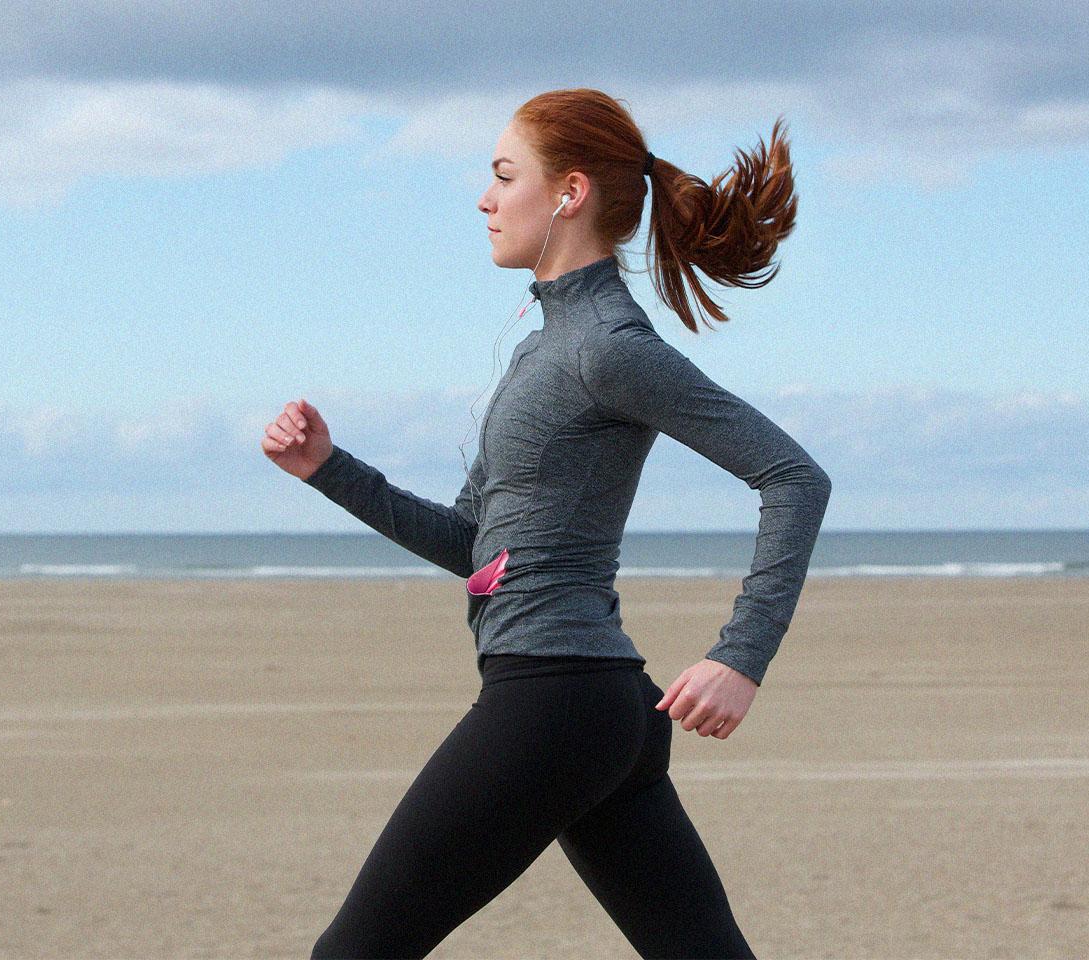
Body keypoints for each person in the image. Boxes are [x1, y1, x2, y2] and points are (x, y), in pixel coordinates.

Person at [262, 87, 831, 960]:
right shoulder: (545, 347)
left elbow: (794, 477)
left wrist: (739, 656)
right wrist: (329, 470)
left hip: (556, 701)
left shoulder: (608, 346)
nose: (484, 200)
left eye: (504, 176)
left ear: (569, 193)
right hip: (597, 707)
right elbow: (475, 547)